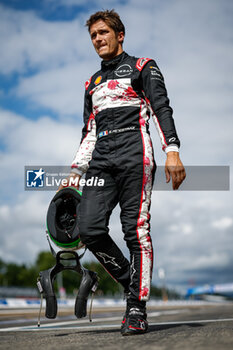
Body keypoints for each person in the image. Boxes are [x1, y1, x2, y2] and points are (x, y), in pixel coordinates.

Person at [60, 9, 186, 335]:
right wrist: (75, 170)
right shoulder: (92, 83)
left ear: (120, 35)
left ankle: (136, 308)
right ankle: (134, 282)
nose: (98, 39)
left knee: (135, 230)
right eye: (93, 35)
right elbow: (89, 130)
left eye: (103, 32)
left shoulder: (143, 66)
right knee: (87, 229)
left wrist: (172, 149)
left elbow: (160, 107)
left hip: (136, 154)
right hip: (101, 159)